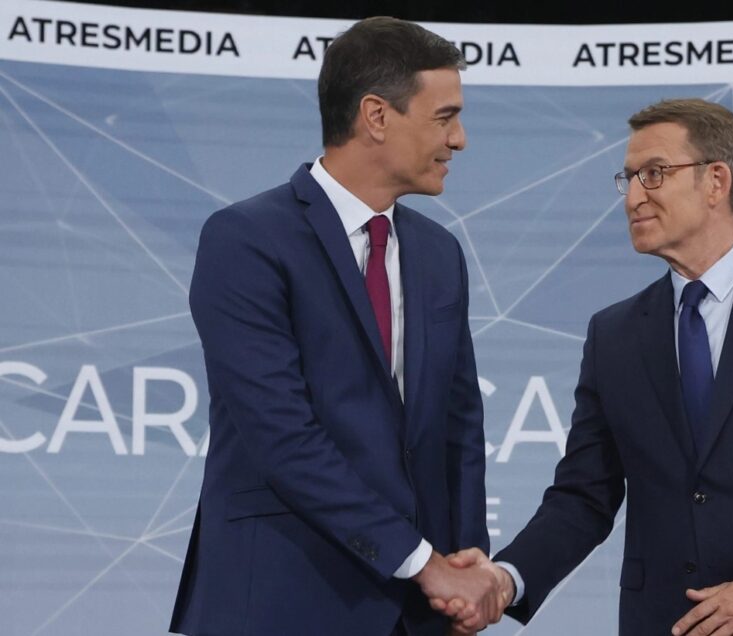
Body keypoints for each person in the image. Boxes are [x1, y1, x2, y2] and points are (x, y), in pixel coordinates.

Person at [437, 98, 733, 635]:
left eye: (654, 174)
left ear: (716, 181)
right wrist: (507, 579)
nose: (633, 196)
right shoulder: (613, 335)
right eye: (628, 178)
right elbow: (583, 497)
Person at [170, 17, 505, 636]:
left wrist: (465, 573)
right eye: (443, 116)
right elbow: (282, 436)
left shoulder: (438, 254)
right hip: (280, 600)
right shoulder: (246, 240)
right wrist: (424, 564)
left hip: (418, 614)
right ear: (376, 116)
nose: (458, 139)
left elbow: (458, 428)